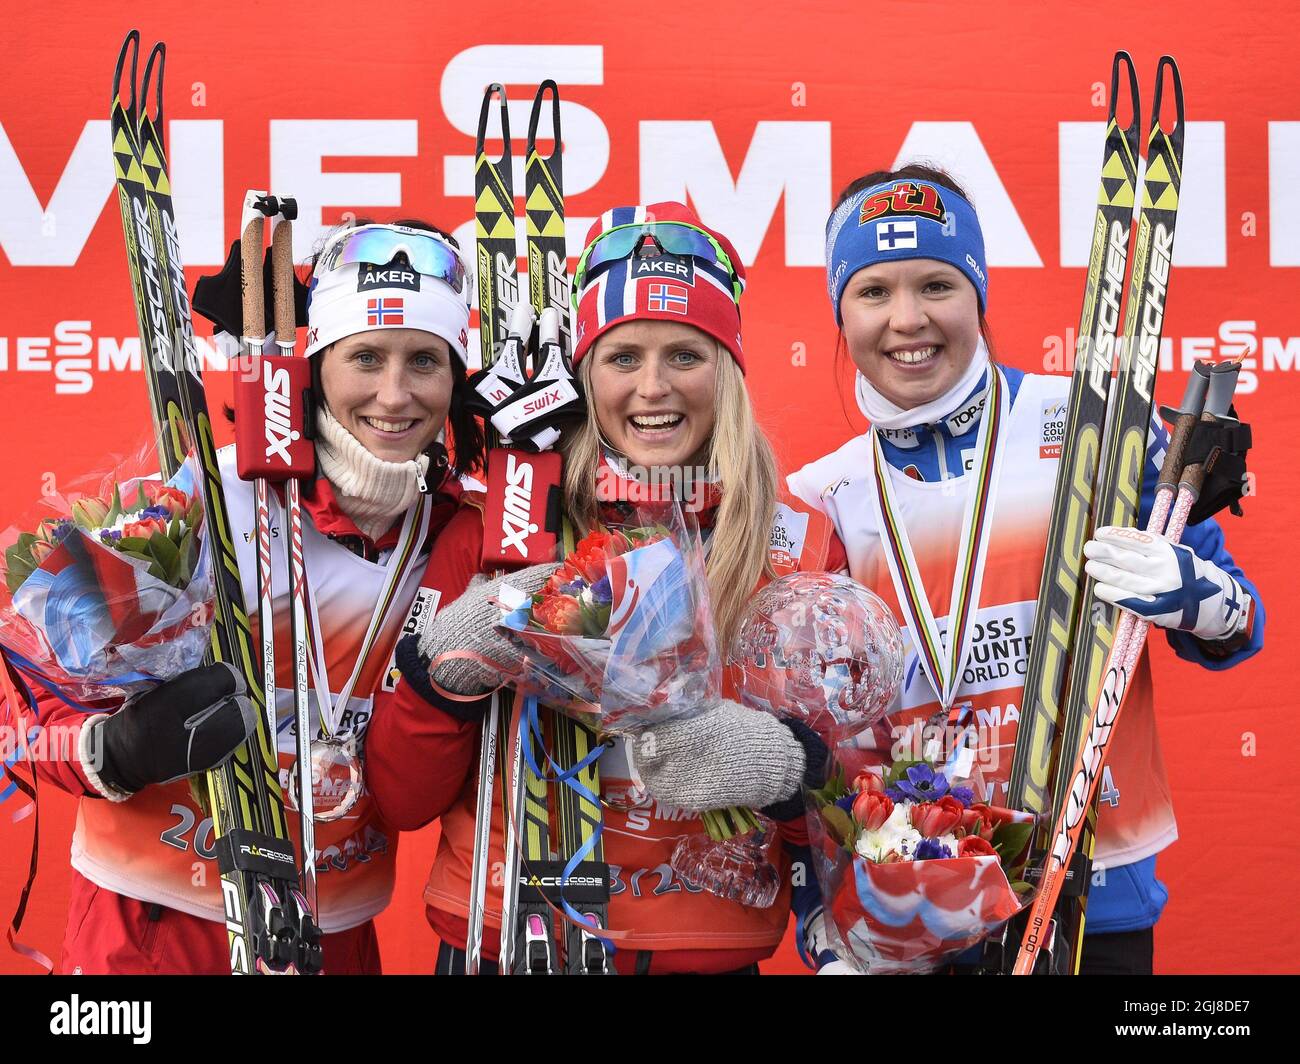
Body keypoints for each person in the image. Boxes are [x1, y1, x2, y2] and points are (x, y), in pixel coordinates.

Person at [782, 165, 1265, 974]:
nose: (908, 319)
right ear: (840, 311)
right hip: (910, 914)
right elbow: (807, 749)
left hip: (1090, 895)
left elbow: (1240, 625)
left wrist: (1195, 595)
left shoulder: (1092, 429)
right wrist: (827, 933)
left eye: (937, 284)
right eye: (873, 292)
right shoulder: (818, 499)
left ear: (978, 293)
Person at [366, 202, 846, 974]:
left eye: (685, 354)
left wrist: (791, 772)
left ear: (728, 369)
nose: (653, 387)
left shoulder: (796, 545)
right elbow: (402, 801)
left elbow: (847, 816)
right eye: (623, 357)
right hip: (514, 937)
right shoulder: (499, 526)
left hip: (705, 944)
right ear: (586, 374)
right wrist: (440, 672)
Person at [22, 219, 486, 974]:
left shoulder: (459, 537)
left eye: (425, 361)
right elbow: (23, 697)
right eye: (366, 357)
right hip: (153, 925)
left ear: (454, 379)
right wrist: (114, 751)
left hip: (331, 930)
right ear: (318, 364)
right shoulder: (205, 495)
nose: (394, 394)